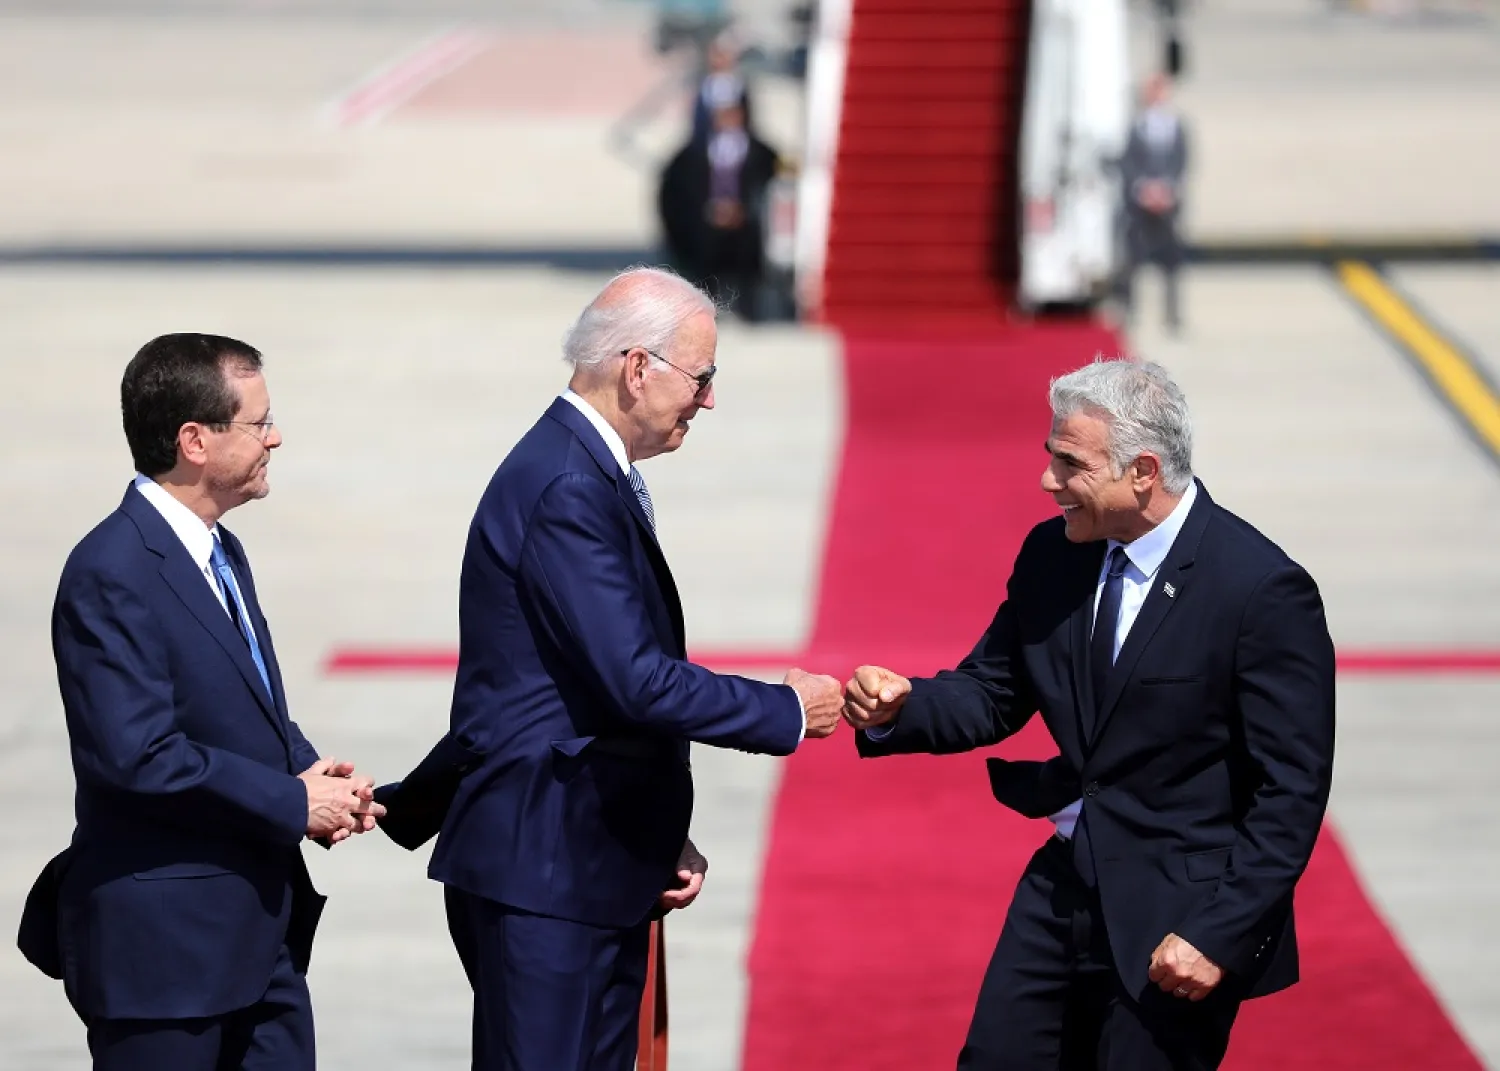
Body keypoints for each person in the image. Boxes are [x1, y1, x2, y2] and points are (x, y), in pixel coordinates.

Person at [391, 267, 843, 1071]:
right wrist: (782, 709)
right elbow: (635, 678)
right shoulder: (568, 484)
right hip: (546, 872)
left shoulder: (584, 470)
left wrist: (654, 831)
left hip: (589, 857)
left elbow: (582, 693)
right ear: (638, 368)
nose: (708, 401)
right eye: (701, 379)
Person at [843, 358, 1335, 1071]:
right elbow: (993, 689)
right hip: (1064, 885)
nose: (1048, 482)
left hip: (1177, 916)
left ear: (1141, 471)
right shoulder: (1055, 554)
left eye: (1068, 464)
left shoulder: (1260, 589)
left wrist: (1219, 933)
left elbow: (1290, 790)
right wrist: (901, 706)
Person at [17, 333, 384, 1071]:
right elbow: (140, 755)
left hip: (259, 942)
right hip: (165, 963)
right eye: (257, 422)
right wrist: (290, 800)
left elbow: (241, 702)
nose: (275, 436)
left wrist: (315, 775)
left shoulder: (220, 551)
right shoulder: (110, 570)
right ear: (194, 440)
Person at [658, 102, 780, 321]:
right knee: (705, 273)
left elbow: (773, 184)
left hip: (747, 226)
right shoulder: (692, 154)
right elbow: (678, 192)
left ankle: (748, 311)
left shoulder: (761, 152)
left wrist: (743, 210)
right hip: (707, 225)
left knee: (747, 269)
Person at [1117, 73, 1189, 333]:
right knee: (1132, 258)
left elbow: (1181, 161)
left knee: (1171, 260)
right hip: (1140, 203)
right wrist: (1143, 189)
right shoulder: (1137, 125)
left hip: (1168, 202)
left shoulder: (1176, 126)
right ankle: (1129, 309)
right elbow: (1128, 162)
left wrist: (1166, 189)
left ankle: (1173, 313)